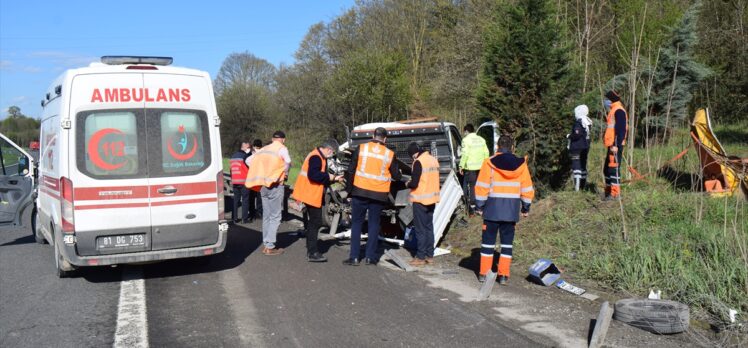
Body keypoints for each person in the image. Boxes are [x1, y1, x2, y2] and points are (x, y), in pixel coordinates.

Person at [475, 134, 534, 285]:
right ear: (513, 147)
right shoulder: (521, 165)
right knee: (507, 245)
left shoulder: (489, 163)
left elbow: (482, 187)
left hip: (492, 210)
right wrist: (525, 208)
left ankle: (484, 274)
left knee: (488, 243)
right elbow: (527, 188)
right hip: (511, 211)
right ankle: (503, 276)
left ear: (497, 147)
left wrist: (479, 207)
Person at [343, 127, 401, 266]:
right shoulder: (389, 154)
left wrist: (349, 190)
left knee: (357, 223)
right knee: (374, 224)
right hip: (379, 194)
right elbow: (396, 176)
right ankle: (370, 257)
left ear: (373, 136)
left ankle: (354, 257)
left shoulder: (361, 148)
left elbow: (351, 170)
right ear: (385, 139)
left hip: (360, 191)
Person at [292, 140, 344, 262]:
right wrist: (332, 177)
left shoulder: (317, 155)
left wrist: (334, 179)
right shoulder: (316, 157)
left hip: (310, 193)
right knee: (315, 222)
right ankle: (312, 252)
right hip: (311, 194)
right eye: (332, 152)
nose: (332, 155)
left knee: (314, 223)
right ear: (329, 149)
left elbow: (319, 176)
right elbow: (313, 175)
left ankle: (311, 249)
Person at [245, 131, 292, 255]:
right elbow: (288, 161)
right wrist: (284, 173)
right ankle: (270, 246)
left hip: (263, 185)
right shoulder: (282, 149)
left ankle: (266, 244)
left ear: (272, 139)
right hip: (275, 185)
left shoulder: (264, 149)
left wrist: (262, 171)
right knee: (276, 216)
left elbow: (249, 160)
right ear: (283, 139)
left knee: (267, 215)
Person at [405, 142, 440, 267]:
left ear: (413, 154)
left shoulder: (419, 162)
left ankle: (420, 257)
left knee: (420, 230)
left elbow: (414, 183)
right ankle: (429, 256)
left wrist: (407, 183)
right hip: (432, 199)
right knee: (429, 227)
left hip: (420, 200)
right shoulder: (433, 160)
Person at [459, 124, 489, 216]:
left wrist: (461, 165)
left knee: (471, 188)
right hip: (481, 168)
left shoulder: (466, 140)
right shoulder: (481, 139)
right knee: (480, 187)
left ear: (466, 131)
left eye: (464, 132)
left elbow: (465, 154)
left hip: (470, 168)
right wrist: (485, 165)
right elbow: (486, 153)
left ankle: (472, 209)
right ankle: (481, 207)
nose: (464, 134)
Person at [603, 91, 628, 200]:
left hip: (615, 145)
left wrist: (616, 145)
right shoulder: (614, 109)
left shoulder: (618, 110)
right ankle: (608, 193)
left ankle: (615, 194)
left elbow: (621, 130)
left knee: (613, 169)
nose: (605, 101)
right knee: (607, 169)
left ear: (611, 99)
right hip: (611, 144)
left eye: (607, 99)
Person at [568, 105, 592, 191]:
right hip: (585, 147)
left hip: (577, 147)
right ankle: (582, 187)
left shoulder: (579, 122)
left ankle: (577, 188)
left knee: (576, 166)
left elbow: (577, 134)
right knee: (583, 166)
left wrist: (569, 136)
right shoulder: (588, 122)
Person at [230, 141, 252, 223]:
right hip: (244, 181)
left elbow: (231, 170)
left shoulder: (233, 156)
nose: (249, 149)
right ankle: (244, 219)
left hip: (235, 181)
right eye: (248, 147)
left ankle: (234, 218)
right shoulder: (245, 156)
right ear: (244, 147)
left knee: (236, 200)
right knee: (245, 200)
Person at [249, 139, 264, 219]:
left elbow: (247, 162)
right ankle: (259, 212)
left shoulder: (250, 155)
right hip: (260, 179)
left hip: (252, 179)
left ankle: (252, 213)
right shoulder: (263, 154)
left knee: (252, 197)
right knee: (259, 197)